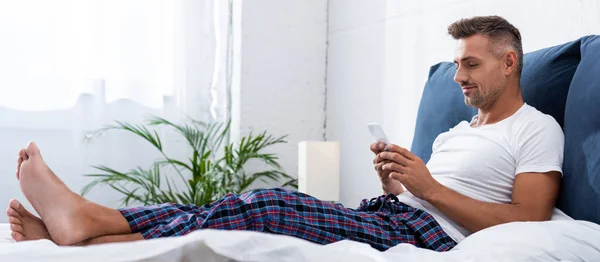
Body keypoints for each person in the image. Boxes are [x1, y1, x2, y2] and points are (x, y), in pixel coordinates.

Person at [5, 15, 563, 251]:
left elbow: (531, 219)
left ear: (509, 63)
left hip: (429, 240)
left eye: (471, 66)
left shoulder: (535, 129)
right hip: (392, 215)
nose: (459, 77)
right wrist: (399, 179)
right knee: (247, 203)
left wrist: (429, 189)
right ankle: (91, 230)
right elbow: (426, 193)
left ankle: (86, 223)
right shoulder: (457, 132)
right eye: (457, 66)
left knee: (272, 208)